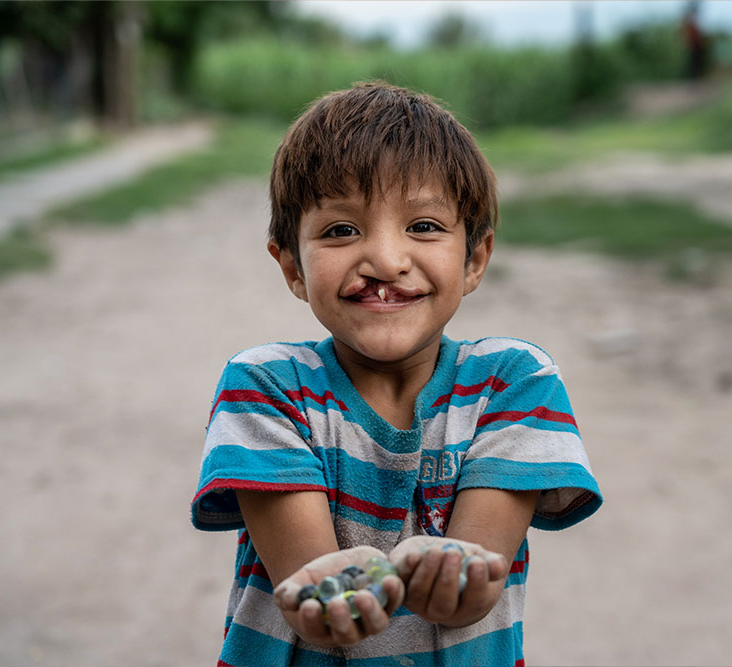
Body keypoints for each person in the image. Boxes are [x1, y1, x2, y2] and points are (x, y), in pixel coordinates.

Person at [191, 82, 603, 667]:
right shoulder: (264, 387)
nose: (386, 260)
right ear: (292, 266)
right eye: (340, 230)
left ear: (475, 258)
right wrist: (331, 585)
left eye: (425, 226)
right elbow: (316, 593)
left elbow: (472, 589)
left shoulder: (515, 382)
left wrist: (453, 573)